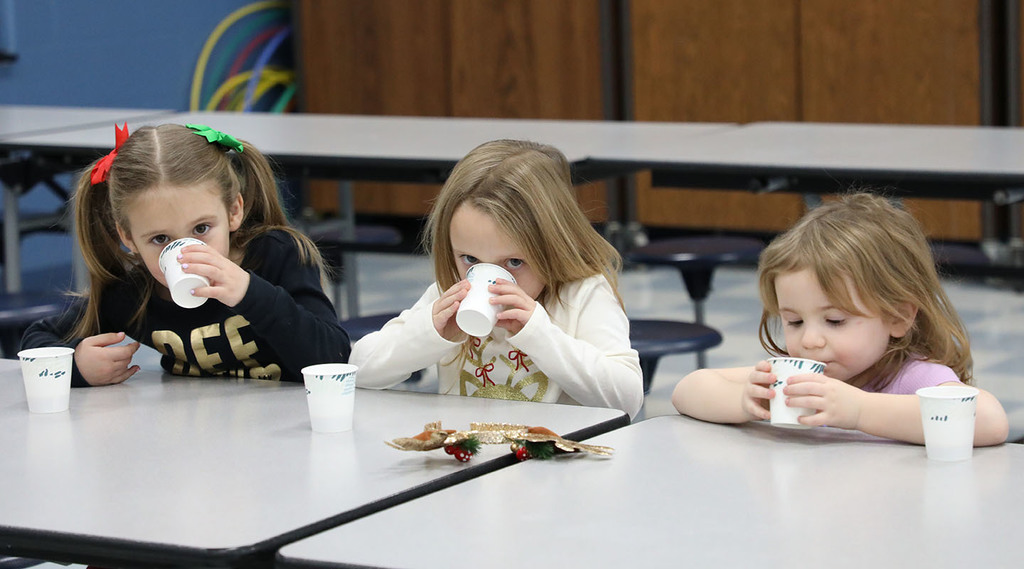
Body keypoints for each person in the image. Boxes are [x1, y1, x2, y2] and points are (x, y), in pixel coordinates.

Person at [21, 123, 350, 387]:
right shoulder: (133, 294)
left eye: (202, 228)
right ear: (128, 237)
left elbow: (333, 357)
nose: (184, 252)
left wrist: (250, 293)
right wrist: (76, 368)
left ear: (234, 210)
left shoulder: (275, 256)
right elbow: (37, 339)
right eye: (160, 238)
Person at [672, 192, 1008, 445]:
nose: (809, 341)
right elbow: (688, 389)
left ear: (898, 317)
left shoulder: (913, 377)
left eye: (834, 321)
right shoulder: (792, 379)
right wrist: (744, 400)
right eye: (794, 321)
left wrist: (858, 410)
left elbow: (990, 420)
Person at [351, 139, 643, 419]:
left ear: (553, 246)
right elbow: (359, 369)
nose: (488, 282)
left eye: (514, 263)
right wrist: (430, 333)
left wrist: (539, 335)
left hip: (553, 463)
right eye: (470, 260)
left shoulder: (582, 295)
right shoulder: (452, 291)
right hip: (467, 458)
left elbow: (627, 400)